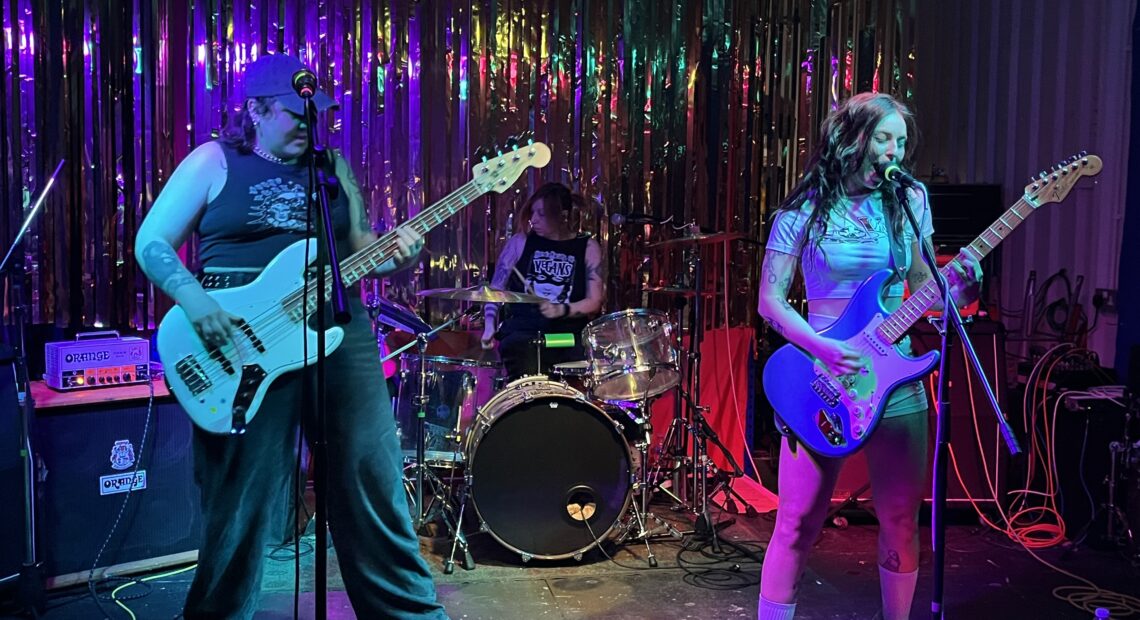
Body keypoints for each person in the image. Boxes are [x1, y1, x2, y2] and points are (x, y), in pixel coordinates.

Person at [134, 53, 448, 620]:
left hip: (337, 328)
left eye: (314, 113)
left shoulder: (331, 167)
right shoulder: (214, 160)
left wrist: (400, 254)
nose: (308, 124)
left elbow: (362, 248)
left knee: (372, 479)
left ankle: (410, 615)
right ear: (255, 110)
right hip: (236, 337)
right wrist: (196, 301)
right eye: (294, 114)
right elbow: (152, 242)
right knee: (242, 497)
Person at [755, 92, 981, 620]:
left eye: (900, 141)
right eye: (883, 138)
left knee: (901, 520)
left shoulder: (910, 200)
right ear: (851, 138)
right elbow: (770, 301)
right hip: (818, 377)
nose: (894, 151)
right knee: (796, 522)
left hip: (895, 378)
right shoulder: (803, 210)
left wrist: (963, 292)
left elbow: (926, 289)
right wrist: (823, 348)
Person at [480, 182, 605, 380]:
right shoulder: (520, 242)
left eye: (541, 214)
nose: (533, 219)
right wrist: (489, 325)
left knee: (581, 356)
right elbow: (496, 289)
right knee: (524, 352)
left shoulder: (588, 247)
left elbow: (594, 301)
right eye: (532, 213)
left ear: (562, 216)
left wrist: (561, 310)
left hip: (566, 337)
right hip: (524, 333)